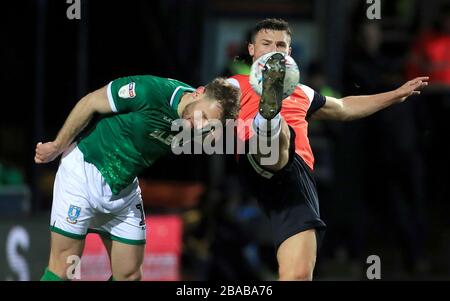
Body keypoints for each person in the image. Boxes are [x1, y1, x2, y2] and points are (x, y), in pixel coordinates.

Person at [227, 18, 428, 280]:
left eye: (280, 45)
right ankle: (269, 122)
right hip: (258, 157)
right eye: (266, 44)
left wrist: (393, 95)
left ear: (288, 53)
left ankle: (271, 122)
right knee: (278, 138)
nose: (274, 49)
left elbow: (345, 108)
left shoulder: (303, 93)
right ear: (251, 49)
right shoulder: (232, 85)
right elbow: (195, 105)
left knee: (298, 274)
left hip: (295, 181)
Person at [34, 75, 240, 281]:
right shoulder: (149, 91)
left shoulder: (202, 129)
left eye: (208, 124)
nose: (199, 125)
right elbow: (91, 102)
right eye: (202, 115)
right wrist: (57, 145)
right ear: (198, 92)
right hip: (84, 171)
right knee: (65, 269)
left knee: (130, 275)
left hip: (123, 189)